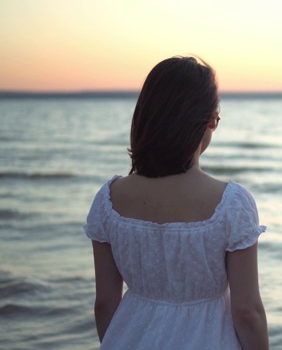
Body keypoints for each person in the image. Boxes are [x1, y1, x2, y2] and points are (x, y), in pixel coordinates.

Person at [84, 56, 269, 349]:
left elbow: (105, 304)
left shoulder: (109, 200)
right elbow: (248, 313)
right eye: (216, 116)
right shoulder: (231, 204)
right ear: (208, 120)